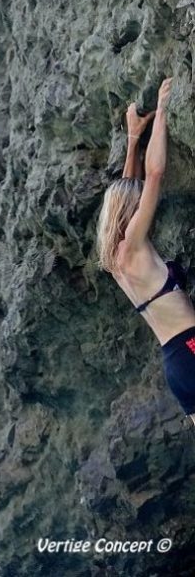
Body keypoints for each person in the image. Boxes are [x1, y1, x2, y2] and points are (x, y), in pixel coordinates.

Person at [97, 77, 195, 426]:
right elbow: (153, 176)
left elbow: (127, 191)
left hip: (177, 365)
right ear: (129, 213)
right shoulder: (134, 242)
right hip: (191, 347)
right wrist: (164, 108)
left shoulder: (116, 259)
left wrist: (133, 138)